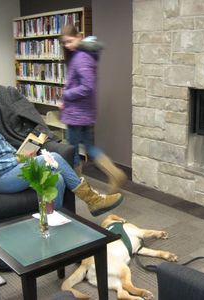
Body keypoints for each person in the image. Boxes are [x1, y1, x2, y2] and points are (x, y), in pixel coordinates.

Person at [0, 96, 124, 217]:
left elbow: (8, 151)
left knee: (57, 179)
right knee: (51, 157)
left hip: (11, 169)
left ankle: (54, 221)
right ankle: (92, 199)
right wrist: (17, 160)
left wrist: (24, 153)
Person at [60, 24, 126, 193]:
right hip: (85, 112)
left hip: (77, 114)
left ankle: (76, 186)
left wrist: (66, 94)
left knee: (72, 149)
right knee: (88, 147)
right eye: (64, 43)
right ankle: (113, 173)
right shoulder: (86, 55)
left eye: (70, 41)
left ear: (79, 36)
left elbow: (87, 87)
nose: (68, 46)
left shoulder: (81, 57)